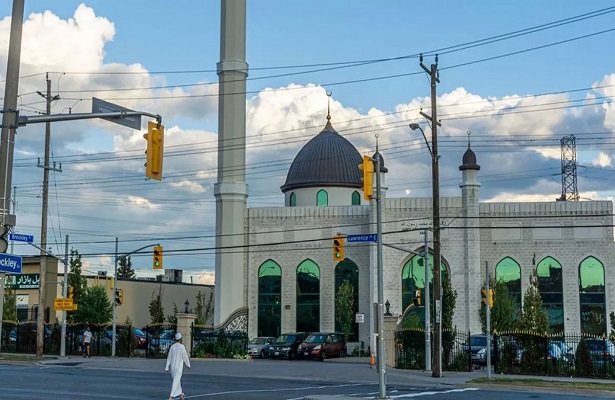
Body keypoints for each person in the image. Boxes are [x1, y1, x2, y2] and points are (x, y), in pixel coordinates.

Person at [165, 332, 191, 400]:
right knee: (176, 381)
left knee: (177, 381)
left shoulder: (172, 347)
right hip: (179, 367)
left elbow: (169, 358)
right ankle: (171, 397)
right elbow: (185, 356)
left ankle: (181, 395)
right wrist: (188, 364)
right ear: (181, 339)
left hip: (172, 367)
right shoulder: (182, 347)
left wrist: (167, 367)